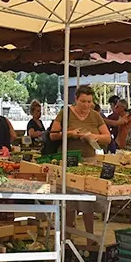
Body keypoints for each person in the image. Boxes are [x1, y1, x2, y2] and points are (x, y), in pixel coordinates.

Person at [49, 85, 112, 236]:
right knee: (69, 202)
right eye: (83, 101)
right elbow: (52, 134)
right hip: (69, 162)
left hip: (89, 161)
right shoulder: (65, 113)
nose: (86, 105)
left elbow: (108, 138)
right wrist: (71, 133)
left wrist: (93, 137)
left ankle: (90, 238)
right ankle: (67, 238)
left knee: (88, 202)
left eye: (89, 102)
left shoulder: (95, 116)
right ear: (75, 99)